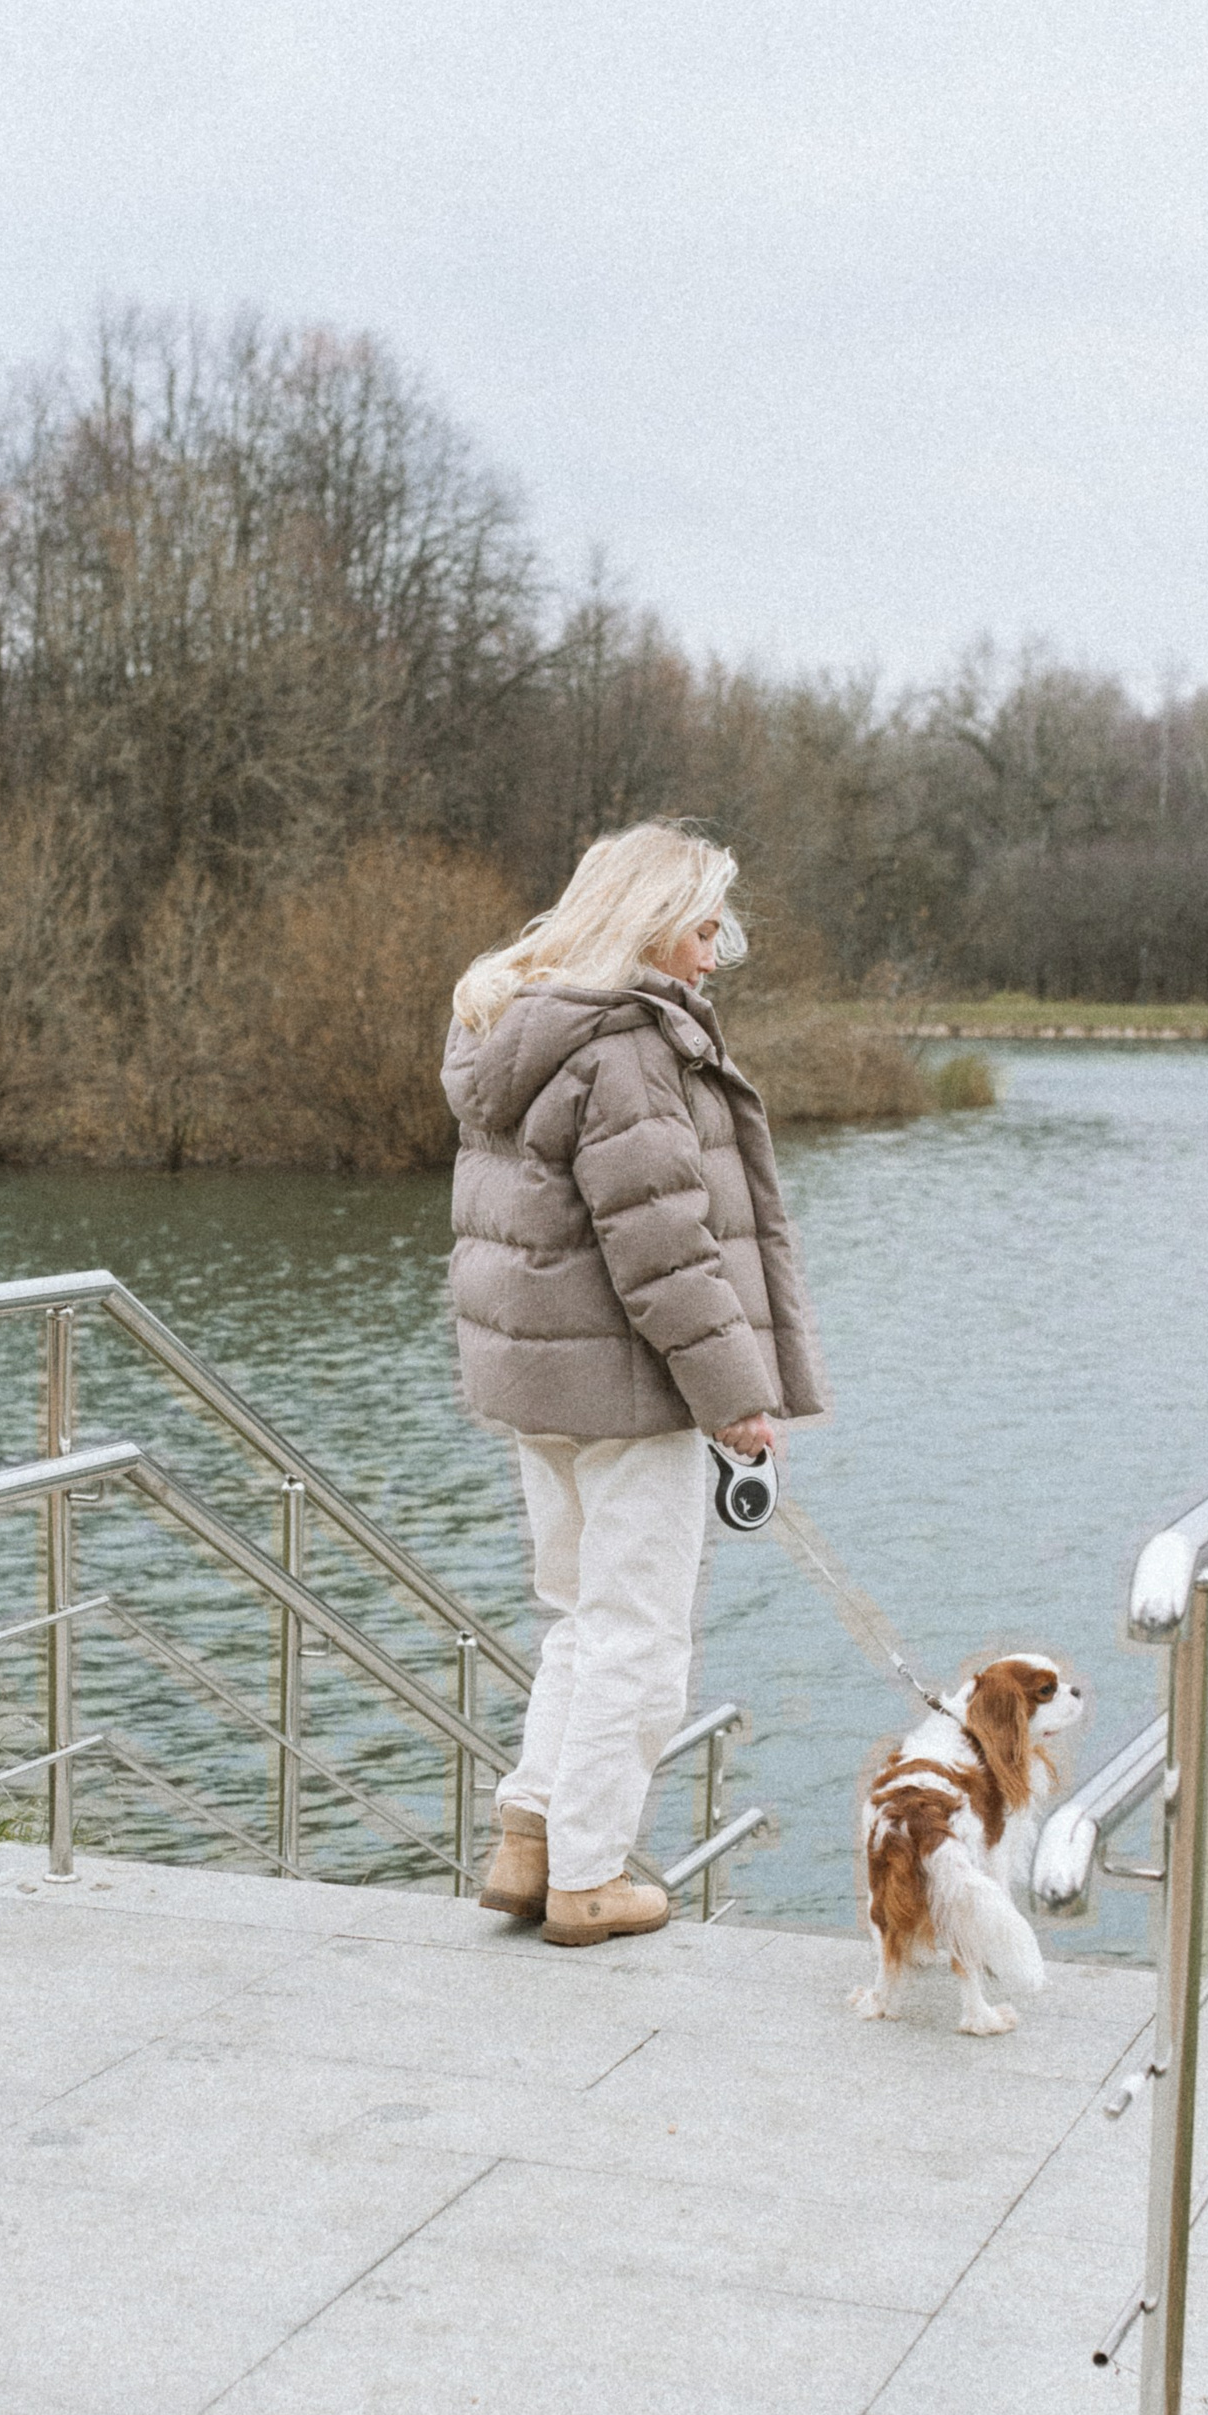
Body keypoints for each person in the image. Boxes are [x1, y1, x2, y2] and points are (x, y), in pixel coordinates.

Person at [444, 821, 825, 1943]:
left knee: (581, 1617)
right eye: (704, 928)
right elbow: (663, 1247)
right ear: (649, 922)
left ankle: (530, 1839)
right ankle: (588, 1874)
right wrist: (735, 1398)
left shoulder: (519, 1028)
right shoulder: (626, 1048)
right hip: (626, 1387)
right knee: (643, 1638)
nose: (715, 953)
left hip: (540, 1385)